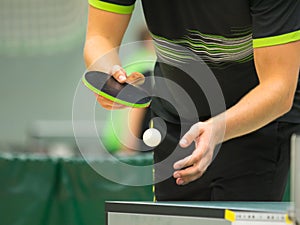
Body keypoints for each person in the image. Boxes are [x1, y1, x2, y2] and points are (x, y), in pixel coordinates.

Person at [83, 0, 300, 201]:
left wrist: (217, 129)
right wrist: (109, 78)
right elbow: (101, 37)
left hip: (256, 121)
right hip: (176, 115)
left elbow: (278, 87)